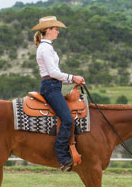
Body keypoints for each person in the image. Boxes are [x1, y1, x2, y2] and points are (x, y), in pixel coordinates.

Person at [32, 16, 85, 171]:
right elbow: (54, 72)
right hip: (51, 87)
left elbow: (55, 74)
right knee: (67, 120)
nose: (57, 31)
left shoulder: (47, 47)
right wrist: (73, 77)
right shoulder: (45, 48)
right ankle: (62, 156)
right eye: (55, 29)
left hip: (53, 85)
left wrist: (72, 80)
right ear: (48, 30)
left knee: (67, 117)